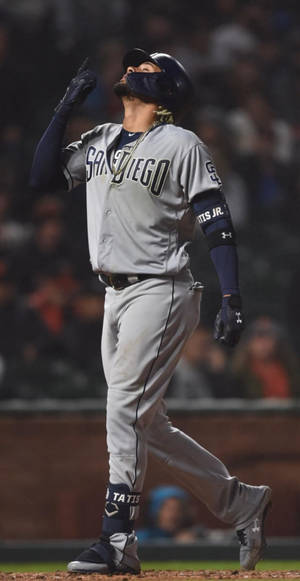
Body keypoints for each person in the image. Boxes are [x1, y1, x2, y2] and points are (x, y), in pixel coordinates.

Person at [30, 49, 271, 574]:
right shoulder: (99, 140)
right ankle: (241, 503)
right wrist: (61, 112)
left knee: (123, 409)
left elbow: (216, 220)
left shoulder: (181, 143)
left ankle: (117, 541)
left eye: (145, 68)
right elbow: (42, 179)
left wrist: (231, 296)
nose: (133, 69)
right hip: (114, 295)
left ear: (166, 91)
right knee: (147, 424)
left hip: (162, 287)